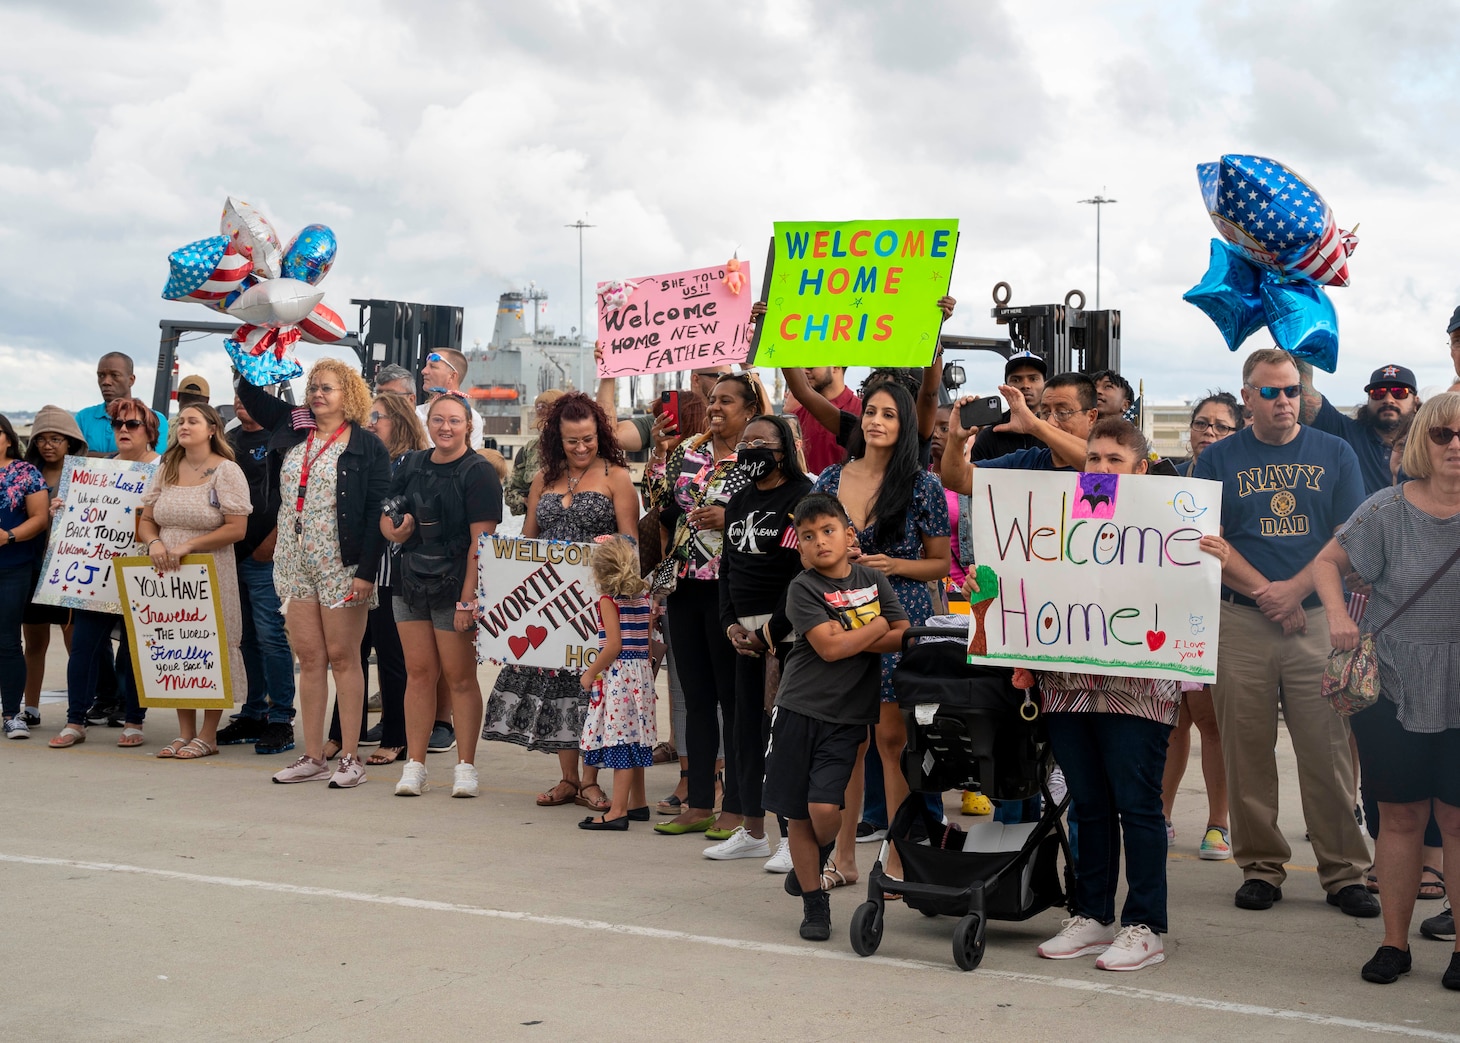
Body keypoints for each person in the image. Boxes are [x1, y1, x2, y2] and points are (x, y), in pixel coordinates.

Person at [1011, 419, 1231, 972]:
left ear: (1140, 467)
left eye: (1114, 460)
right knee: (1088, 804)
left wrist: (1213, 559)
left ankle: (1145, 925)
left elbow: (1190, 596)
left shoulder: (1173, 525)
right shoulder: (1057, 517)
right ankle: (1093, 915)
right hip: (1068, 683)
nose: (1102, 469)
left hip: (1139, 688)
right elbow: (1035, 584)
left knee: (1137, 806)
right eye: (1094, 459)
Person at [1193, 347, 1377, 916]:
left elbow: (1348, 539)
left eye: (1292, 391)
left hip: (1317, 618)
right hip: (1242, 618)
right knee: (1247, 749)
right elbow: (1208, 541)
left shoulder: (1335, 452)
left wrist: (1294, 591)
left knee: (1327, 752)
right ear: (1247, 397)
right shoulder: (1218, 460)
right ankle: (1261, 867)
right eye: (1270, 392)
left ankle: (1345, 871)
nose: (1283, 402)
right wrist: (1267, 595)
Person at [1312, 391, 1460, 989]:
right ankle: (1394, 944)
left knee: (1457, 821)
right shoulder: (1386, 509)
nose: (1454, 447)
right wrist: (1339, 618)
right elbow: (1327, 563)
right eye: (1443, 435)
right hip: (1393, 683)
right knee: (1398, 818)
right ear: (1423, 440)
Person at [813, 381, 950, 881]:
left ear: (905, 425)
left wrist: (894, 564)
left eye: (889, 415)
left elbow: (939, 565)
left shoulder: (921, 485)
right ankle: (844, 859)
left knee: (893, 741)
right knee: (848, 743)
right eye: (871, 411)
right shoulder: (829, 480)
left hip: (896, 618)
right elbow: (806, 548)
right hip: (839, 616)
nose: (876, 421)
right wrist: (830, 554)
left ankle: (896, 857)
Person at [236, 359, 392, 789]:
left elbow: (376, 512)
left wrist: (366, 571)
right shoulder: (294, 425)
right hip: (294, 558)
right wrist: (254, 353)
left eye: (328, 389)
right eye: (314, 388)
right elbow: (250, 395)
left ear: (350, 396)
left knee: (344, 658)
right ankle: (311, 755)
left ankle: (349, 758)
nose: (318, 395)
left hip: (341, 562)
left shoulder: (367, 445)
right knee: (310, 660)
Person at [763, 493, 909, 941]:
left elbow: (903, 634)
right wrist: (876, 627)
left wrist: (869, 632)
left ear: (849, 536)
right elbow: (829, 649)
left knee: (824, 808)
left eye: (828, 531)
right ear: (801, 547)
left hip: (847, 718)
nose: (820, 542)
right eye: (808, 537)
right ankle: (814, 904)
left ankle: (819, 853)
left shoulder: (871, 579)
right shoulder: (803, 587)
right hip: (797, 710)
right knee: (796, 815)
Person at [483, 392, 639, 809]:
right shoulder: (542, 479)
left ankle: (590, 781)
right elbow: (528, 542)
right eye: (572, 441)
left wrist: (606, 557)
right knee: (559, 691)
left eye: (588, 438)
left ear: (599, 434)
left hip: (596, 603)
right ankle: (569, 778)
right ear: (557, 439)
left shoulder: (616, 477)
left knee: (593, 689)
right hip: (547, 604)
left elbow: (631, 543)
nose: (582, 447)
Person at [649, 373, 771, 837]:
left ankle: (738, 806)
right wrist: (661, 454)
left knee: (735, 701)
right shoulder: (689, 451)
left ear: (749, 409)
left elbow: (777, 508)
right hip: (684, 585)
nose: (714, 407)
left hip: (732, 589)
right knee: (696, 698)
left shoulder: (759, 458)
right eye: (711, 400)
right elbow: (661, 507)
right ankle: (699, 801)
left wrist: (731, 515)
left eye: (725, 401)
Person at [383, 392, 502, 797]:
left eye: (454, 420)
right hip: (410, 581)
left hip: (456, 584)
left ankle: (465, 767)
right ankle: (415, 765)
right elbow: (387, 510)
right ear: (427, 423)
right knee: (418, 674)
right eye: (438, 420)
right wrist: (392, 529)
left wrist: (468, 601)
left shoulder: (479, 472)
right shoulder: (411, 464)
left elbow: (481, 544)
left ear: (469, 425)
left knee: (460, 678)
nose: (445, 427)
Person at [708, 413, 814, 863]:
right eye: (745, 441)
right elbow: (728, 568)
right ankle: (753, 831)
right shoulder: (738, 501)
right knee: (745, 733)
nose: (751, 449)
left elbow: (798, 573)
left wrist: (770, 631)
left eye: (761, 442)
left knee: (786, 737)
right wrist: (730, 623)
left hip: (787, 634)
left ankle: (794, 838)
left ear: (784, 447)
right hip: (743, 636)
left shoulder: (803, 496)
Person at [135, 404, 251, 760]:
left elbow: (237, 528)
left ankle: (207, 734)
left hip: (209, 567)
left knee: (209, 645)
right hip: (166, 572)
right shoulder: (168, 468)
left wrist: (189, 545)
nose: (184, 426)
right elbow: (147, 519)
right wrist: (155, 542)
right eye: (180, 421)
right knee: (175, 646)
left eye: (192, 421)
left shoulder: (226, 471)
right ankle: (184, 732)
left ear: (212, 428)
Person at [48, 398, 159, 748]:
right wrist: (63, 509)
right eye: (117, 425)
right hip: (96, 573)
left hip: (143, 571)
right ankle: (75, 720)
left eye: (132, 425)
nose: (123, 430)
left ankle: (134, 720)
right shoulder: (97, 470)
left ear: (150, 431)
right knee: (84, 646)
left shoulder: (163, 469)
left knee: (134, 649)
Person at [1160, 392, 1242, 859]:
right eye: (1202, 424)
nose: (1208, 433)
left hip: (1216, 614)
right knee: (1170, 723)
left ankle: (1218, 824)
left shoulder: (1241, 481)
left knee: (1211, 722)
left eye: (1221, 426)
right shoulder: (1167, 477)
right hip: (1166, 614)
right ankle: (1162, 815)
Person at [325, 392, 426, 766]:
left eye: (378, 417)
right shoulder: (364, 458)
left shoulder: (413, 463)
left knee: (391, 658)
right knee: (349, 654)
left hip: (393, 574)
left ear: (398, 421)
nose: (370, 423)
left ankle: (395, 735)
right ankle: (340, 732)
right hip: (360, 569)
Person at [216, 392, 296, 755]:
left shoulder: (282, 439)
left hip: (266, 557)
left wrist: (273, 544)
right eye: (237, 398)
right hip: (231, 554)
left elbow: (293, 497)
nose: (241, 404)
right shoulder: (228, 442)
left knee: (271, 636)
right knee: (244, 636)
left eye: (249, 398)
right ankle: (253, 712)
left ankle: (281, 719)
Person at [576, 535, 656, 830]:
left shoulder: (608, 601)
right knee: (636, 738)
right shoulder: (644, 599)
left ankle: (617, 811)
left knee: (621, 741)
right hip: (641, 676)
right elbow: (646, 642)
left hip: (619, 677)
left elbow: (613, 645)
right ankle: (638, 803)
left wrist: (589, 673)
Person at [19, 405, 85, 728]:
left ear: (70, 441)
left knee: (77, 644)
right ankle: (30, 707)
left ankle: (80, 709)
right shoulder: (25, 475)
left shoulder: (86, 474)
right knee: (34, 642)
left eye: (56, 438)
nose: (48, 445)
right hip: (32, 568)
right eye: (42, 439)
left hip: (71, 570)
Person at [0, 414, 56, 740]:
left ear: (8, 437)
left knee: (7, 642)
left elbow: (39, 519)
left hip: (12, 567)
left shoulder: (25, 473)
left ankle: (12, 713)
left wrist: (7, 536)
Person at [1299, 362, 1420, 496]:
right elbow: (1303, 394)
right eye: (1378, 393)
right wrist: (1300, 347)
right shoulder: (1346, 432)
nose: (1388, 399)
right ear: (1369, 400)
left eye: (1399, 392)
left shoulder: (1432, 442)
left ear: (1416, 402)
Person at [74, 352, 168, 455]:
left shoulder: (154, 419)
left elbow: (152, 462)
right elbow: (72, 459)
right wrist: (125, 456)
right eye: (101, 375)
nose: (106, 381)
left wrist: (91, 456)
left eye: (114, 375)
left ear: (131, 380)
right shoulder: (83, 418)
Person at [971, 351, 1047, 461]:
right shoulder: (990, 436)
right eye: (1016, 380)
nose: (1025, 385)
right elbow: (971, 476)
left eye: (1033, 379)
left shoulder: (1058, 431)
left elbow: (1080, 472)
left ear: (1045, 384)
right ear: (1005, 387)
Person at [784, 366, 860, 474]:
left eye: (811, 366)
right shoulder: (797, 416)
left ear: (836, 366)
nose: (804, 371)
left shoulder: (862, 414)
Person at [504, 389, 566, 516]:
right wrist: (527, 501)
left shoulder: (579, 450)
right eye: (544, 426)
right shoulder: (529, 450)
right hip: (535, 525)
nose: (547, 430)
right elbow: (510, 493)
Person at [414, 349, 484, 450]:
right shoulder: (416, 412)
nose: (424, 371)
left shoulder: (473, 419)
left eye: (433, 366)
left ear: (452, 376)